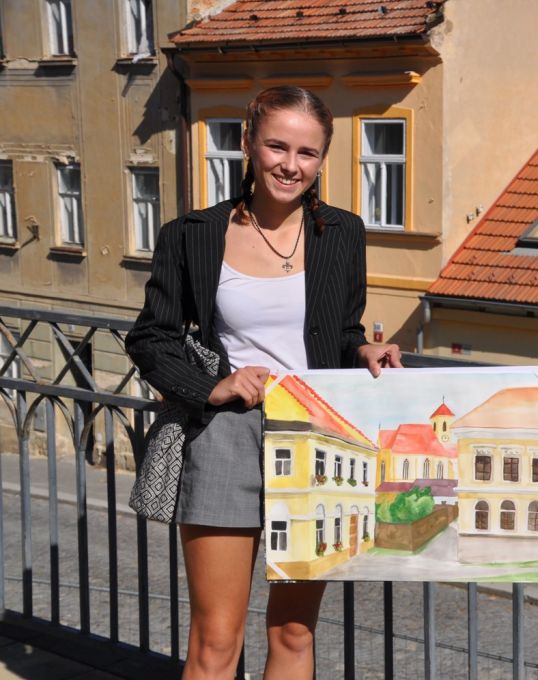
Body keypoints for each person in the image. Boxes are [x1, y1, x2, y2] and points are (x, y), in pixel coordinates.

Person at [126, 85, 401, 680]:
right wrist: (210, 388)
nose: (290, 165)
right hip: (225, 437)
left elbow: (342, 330)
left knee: (295, 633)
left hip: (315, 437)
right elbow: (151, 337)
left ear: (322, 159)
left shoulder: (343, 232)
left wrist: (365, 350)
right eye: (277, 146)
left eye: (307, 152)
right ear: (248, 142)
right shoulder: (192, 233)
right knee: (216, 641)